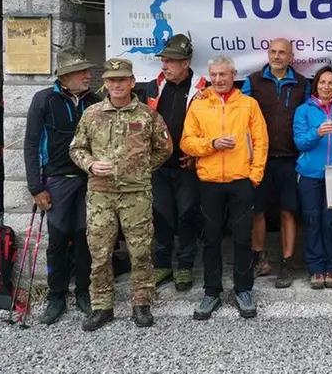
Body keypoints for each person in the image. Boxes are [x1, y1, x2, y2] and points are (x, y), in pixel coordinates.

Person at [69, 58, 172, 331]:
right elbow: (76, 149)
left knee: (140, 252)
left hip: (136, 194)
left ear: (132, 82)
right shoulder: (92, 114)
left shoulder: (147, 115)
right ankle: (102, 307)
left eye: (122, 79)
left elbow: (164, 148)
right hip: (101, 195)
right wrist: (90, 164)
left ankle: (141, 304)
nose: (117, 84)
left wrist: (140, 169)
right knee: (100, 253)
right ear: (104, 83)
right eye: (112, 80)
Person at [182, 55, 269, 320]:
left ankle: (243, 289)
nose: (218, 79)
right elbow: (187, 142)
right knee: (211, 239)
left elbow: (261, 142)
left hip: (240, 181)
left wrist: (253, 177)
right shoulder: (198, 105)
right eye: (214, 75)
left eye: (223, 74)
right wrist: (212, 144)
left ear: (233, 75)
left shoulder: (249, 104)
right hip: (209, 183)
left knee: (243, 238)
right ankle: (212, 291)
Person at [23, 47, 100, 324]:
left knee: (84, 240)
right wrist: (35, 187)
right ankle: (56, 296)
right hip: (55, 181)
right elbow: (31, 144)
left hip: (88, 180)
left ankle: (83, 292)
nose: (88, 75)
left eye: (87, 71)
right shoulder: (43, 100)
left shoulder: (95, 101)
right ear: (65, 76)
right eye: (82, 72)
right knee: (57, 241)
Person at [242, 38, 310, 288]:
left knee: (287, 212)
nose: (277, 56)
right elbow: (241, 115)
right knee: (257, 211)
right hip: (259, 158)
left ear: (291, 57)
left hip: (290, 159)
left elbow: (310, 117)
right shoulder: (254, 81)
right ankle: (260, 260)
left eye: (283, 52)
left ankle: (287, 262)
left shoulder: (303, 84)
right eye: (273, 51)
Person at [143, 34, 207, 292]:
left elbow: (209, 127)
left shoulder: (202, 89)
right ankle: (162, 265)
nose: (165, 66)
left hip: (187, 166)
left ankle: (184, 266)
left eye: (171, 61)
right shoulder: (153, 87)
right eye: (164, 60)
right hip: (158, 166)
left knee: (187, 215)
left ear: (186, 62)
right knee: (161, 215)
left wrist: (197, 155)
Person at [293, 66, 332, 289]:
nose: (326, 86)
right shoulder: (304, 110)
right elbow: (300, 142)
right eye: (322, 82)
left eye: (330, 83)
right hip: (310, 174)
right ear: (315, 85)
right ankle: (316, 268)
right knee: (313, 220)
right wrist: (316, 132)